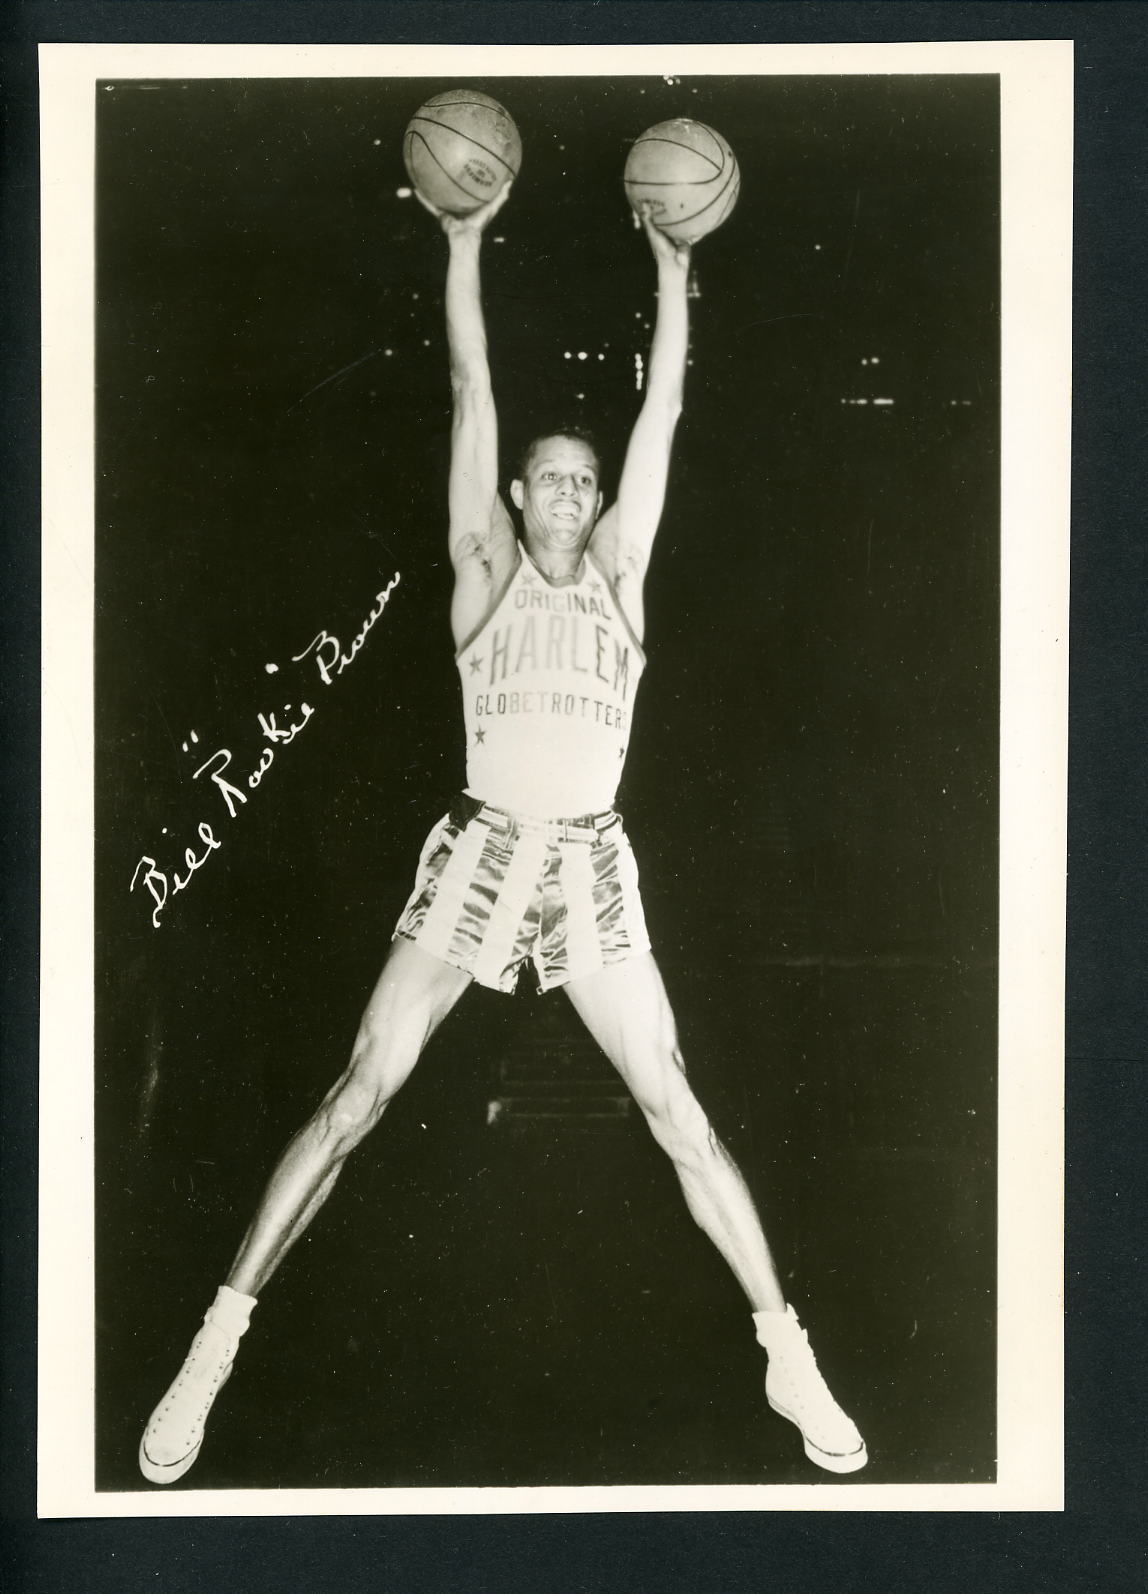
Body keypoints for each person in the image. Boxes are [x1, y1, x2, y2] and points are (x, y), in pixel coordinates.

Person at [139, 179, 867, 1485]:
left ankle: (786, 1347)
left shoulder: (623, 582)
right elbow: (472, 392)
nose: (575, 495)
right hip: (482, 849)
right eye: (553, 480)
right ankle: (216, 1340)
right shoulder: (482, 577)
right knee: (359, 1089)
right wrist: (466, 243)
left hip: (590, 857)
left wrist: (672, 272)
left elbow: (668, 413)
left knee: (677, 1109)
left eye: (586, 481)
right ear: (518, 500)